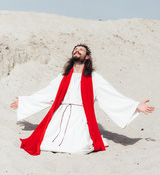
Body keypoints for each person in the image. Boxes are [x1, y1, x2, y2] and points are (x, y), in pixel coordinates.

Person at [10, 44, 155, 156]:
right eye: (75, 49)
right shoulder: (62, 77)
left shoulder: (94, 78)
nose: (77, 51)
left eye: (81, 49)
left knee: (79, 148)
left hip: (80, 116)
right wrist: (24, 102)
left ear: (87, 57)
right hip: (60, 114)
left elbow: (111, 96)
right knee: (44, 143)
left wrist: (135, 106)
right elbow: (45, 94)